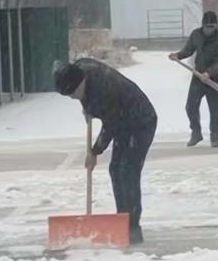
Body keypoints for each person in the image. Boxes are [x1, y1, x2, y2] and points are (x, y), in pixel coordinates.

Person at [53, 58, 157, 244]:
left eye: (73, 94)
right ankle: (122, 219)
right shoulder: (80, 69)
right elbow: (63, 68)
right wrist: (87, 107)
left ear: (81, 83)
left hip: (141, 121)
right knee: (115, 169)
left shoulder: (103, 90)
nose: (72, 98)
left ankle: (132, 226)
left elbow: (110, 126)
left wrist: (94, 152)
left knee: (127, 171)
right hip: (123, 119)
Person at [169, 10, 218, 148]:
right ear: (202, 25)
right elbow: (188, 50)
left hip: (215, 80)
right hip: (198, 76)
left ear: (216, 26)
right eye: (207, 27)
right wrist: (178, 55)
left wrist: (209, 73)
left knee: (214, 109)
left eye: (212, 27)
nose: (209, 30)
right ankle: (196, 133)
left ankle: (214, 137)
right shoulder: (196, 35)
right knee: (191, 106)